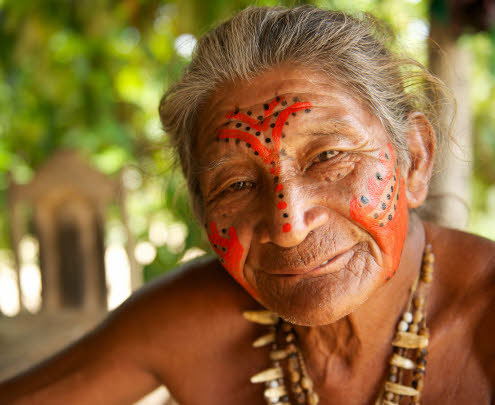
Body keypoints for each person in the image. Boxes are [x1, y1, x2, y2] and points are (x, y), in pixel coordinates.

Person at [1, 5, 494, 405]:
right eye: (236, 185)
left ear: (415, 158)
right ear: (201, 213)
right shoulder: (189, 322)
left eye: (329, 157)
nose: (290, 225)